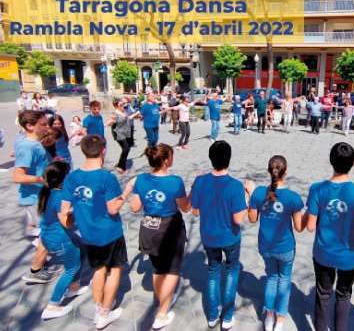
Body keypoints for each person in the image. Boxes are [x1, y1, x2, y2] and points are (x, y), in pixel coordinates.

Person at [59, 134, 133, 329]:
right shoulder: (106, 178)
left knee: (99, 270)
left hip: (88, 234)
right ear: (104, 150)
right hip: (110, 232)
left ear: (82, 150)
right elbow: (113, 209)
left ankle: (98, 307)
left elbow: (65, 210)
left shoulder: (72, 177)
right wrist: (126, 192)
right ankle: (104, 313)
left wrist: (81, 213)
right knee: (115, 269)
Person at [304, 142, 354, 331]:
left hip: (323, 253)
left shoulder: (317, 189)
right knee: (344, 295)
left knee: (323, 294)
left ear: (331, 161)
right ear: (353, 163)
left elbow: (310, 226)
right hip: (349, 256)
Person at [127, 144, 191, 329]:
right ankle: (162, 312)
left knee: (157, 268)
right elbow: (185, 207)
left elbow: (135, 207)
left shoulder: (140, 180)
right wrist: (193, 191)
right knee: (172, 270)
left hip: (148, 228)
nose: (172, 159)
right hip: (169, 228)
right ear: (165, 161)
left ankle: (162, 300)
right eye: (170, 156)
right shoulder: (175, 181)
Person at [191, 141, 252, 329]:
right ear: (229, 159)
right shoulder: (235, 186)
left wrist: (196, 185)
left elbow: (195, 212)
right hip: (230, 237)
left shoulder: (200, 182)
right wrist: (248, 195)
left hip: (209, 237)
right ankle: (227, 317)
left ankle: (211, 315)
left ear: (210, 159)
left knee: (213, 272)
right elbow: (238, 219)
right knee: (232, 271)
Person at [248, 155, 305, 331]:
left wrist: (250, 195)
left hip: (266, 246)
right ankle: (280, 321)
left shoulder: (258, 193)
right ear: (285, 172)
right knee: (284, 280)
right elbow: (299, 227)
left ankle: (269, 317)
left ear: (268, 171)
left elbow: (251, 219)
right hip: (286, 247)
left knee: (272, 278)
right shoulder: (293, 198)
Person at [37, 161, 90, 320]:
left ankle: (74, 286)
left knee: (81, 249)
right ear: (62, 178)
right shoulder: (60, 197)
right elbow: (67, 222)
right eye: (68, 173)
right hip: (60, 238)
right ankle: (52, 305)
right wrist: (78, 210)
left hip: (48, 235)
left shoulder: (48, 191)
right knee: (70, 269)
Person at [15, 111, 54, 284]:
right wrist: (44, 179)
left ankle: (42, 262)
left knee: (47, 231)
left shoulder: (31, 143)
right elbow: (18, 177)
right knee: (48, 232)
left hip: (41, 195)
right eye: (43, 125)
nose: (47, 127)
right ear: (30, 126)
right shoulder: (27, 146)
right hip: (35, 197)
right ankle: (35, 270)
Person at [108, 99, 140, 173]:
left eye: (123, 104)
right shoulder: (114, 113)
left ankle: (121, 165)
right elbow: (111, 122)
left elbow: (127, 119)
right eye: (121, 104)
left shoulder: (123, 111)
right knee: (126, 148)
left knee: (126, 148)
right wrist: (109, 123)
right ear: (116, 106)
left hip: (124, 131)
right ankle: (121, 167)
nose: (123, 105)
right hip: (118, 133)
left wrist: (137, 116)